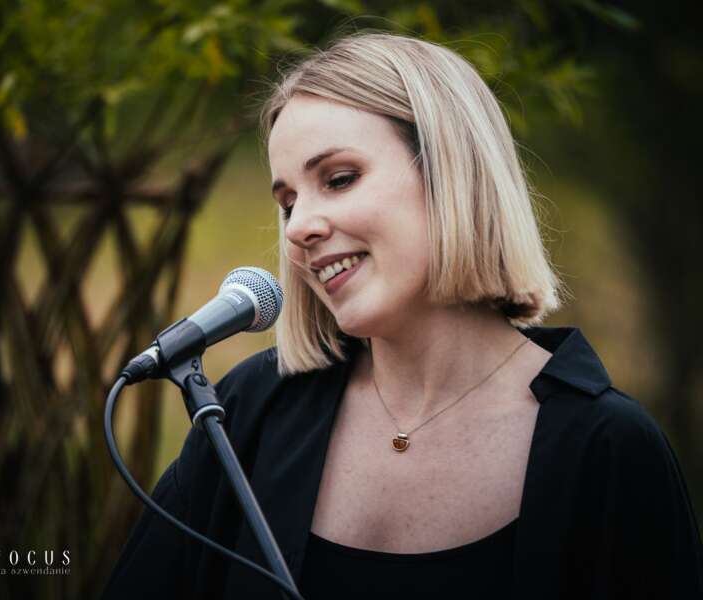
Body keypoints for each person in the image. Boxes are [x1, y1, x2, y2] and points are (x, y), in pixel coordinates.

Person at [103, 33, 702, 599]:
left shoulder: (610, 448)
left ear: (452, 176)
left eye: (339, 179)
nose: (300, 227)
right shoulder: (248, 411)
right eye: (288, 203)